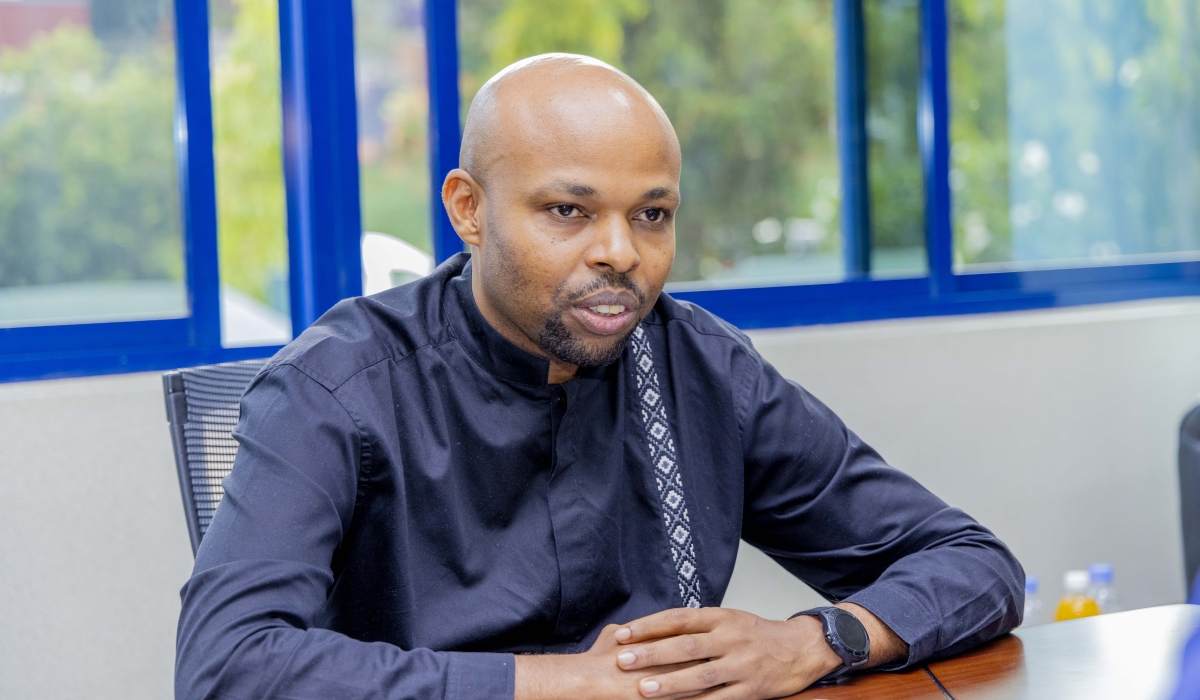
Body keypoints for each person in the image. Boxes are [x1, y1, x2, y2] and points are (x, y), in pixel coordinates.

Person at [175, 53, 1023, 700]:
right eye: (568, 212)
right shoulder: (336, 385)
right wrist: (560, 683)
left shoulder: (702, 366)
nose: (621, 253)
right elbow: (227, 665)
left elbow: (972, 561)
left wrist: (815, 639)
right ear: (468, 209)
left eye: (652, 215)